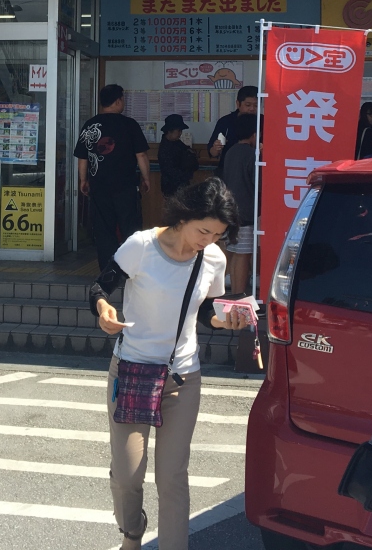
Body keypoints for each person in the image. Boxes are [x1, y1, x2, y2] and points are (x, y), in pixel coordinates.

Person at [90, 178, 250, 550]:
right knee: (128, 475)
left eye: (217, 234)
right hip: (132, 370)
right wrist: (104, 310)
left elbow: (207, 309)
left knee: (173, 477)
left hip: (182, 377)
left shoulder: (213, 258)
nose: (208, 239)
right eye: (203, 231)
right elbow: (100, 287)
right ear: (183, 217)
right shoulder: (141, 246)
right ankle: (132, 533)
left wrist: (224, 320)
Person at [75, 84, 152, 272]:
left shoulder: (90, 125)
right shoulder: (129, 125)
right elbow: (141, 155)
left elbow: (82, 157)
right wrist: (146, 178)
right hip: (125, 186)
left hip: (99, 187)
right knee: (130, 229)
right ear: (118, 101)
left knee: (104, 230)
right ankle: (131, 270)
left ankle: (108, 272)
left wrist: (83, 180)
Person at [221, 112, 258, 294]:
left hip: (230, 211)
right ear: (254, 134)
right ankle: (239, 296)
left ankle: (236, 295)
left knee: (235, 253)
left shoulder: (230, 152)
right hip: (246, 212)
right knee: (243, 255)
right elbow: (257, 184)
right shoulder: (252, 155)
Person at [207, 86, 259, 161]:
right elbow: (212, 152)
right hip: (229, 165)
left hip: (255, 165)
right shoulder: (225, 121)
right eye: (248, 105)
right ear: (238, 103)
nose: (252, 109)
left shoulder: (263, 121)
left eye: (256, 105)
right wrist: (216, 148)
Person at [157, 114, 197, 199]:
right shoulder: (165, 148)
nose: (180, 133)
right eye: (178, 130)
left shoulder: (177, 143)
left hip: (182, 185)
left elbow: (188, 152)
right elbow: (170, 171)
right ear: (169, 131)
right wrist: (186, 174)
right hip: (171, 187)